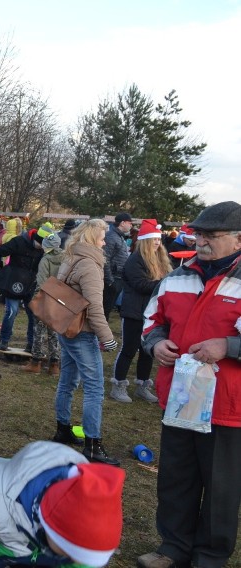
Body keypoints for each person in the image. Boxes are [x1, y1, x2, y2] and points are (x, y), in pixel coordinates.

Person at [137, 201, 241, 568]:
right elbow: (152, 320)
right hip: (180, 396)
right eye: (199, 233)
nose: (201, 240)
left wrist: (227, 346)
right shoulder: (177, 276)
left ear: (238, 239)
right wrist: (156, 343)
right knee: (176, 478)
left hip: (228, 404)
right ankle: (173, 547)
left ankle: (210, 556)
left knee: (221, 487)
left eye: (211, 235)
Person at [51, 218, 119, 466]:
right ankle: (93, 445)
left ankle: (63, 429)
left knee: (67, 381)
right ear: (92, 239)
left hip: (66, 328)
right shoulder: (89, 265)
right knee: (94, 388)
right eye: (102, 238)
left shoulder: (71, 257)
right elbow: (95, 308)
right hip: (82, 332)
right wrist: (108, 339)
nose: (104, 243)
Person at [110, 219, 171, 404]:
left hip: (152, 314)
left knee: (147, 351)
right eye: (154, 240)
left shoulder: (160, 260)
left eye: (159, 240)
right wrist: (165, 283)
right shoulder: (135, 260)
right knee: (129, 349)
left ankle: (143, 386)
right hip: (134, 311)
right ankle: (118, 385)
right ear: (145, 241)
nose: (157, 243)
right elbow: (141, 285)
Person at [0, 223, 54, 352]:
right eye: (41, 245)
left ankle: (31, 344)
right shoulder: (19, 242)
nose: (42, 249)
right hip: (14, 283)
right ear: (36, 240)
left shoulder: (45, 250)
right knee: (12, 311)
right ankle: (3, 340)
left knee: (33, 314)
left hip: (32, 285)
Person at [23, 233, 64, 375]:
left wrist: (35, 301)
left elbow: (41, 282)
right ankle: (54, 365)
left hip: (45, 299)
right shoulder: (66, 258)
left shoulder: (45, 260)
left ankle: (36, 362)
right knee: (54, 332)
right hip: (59, 299)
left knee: (39, 331)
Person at [103, 212, 132, 320]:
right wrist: (110, 281)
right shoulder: (111, 236)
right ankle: (99, 335)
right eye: (129, 223)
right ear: (123, 223)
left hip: (117, 277)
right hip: (113, 279)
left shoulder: (119, 236)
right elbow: (105, 258)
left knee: (108, 308)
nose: (131, 225)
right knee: (105, 309)